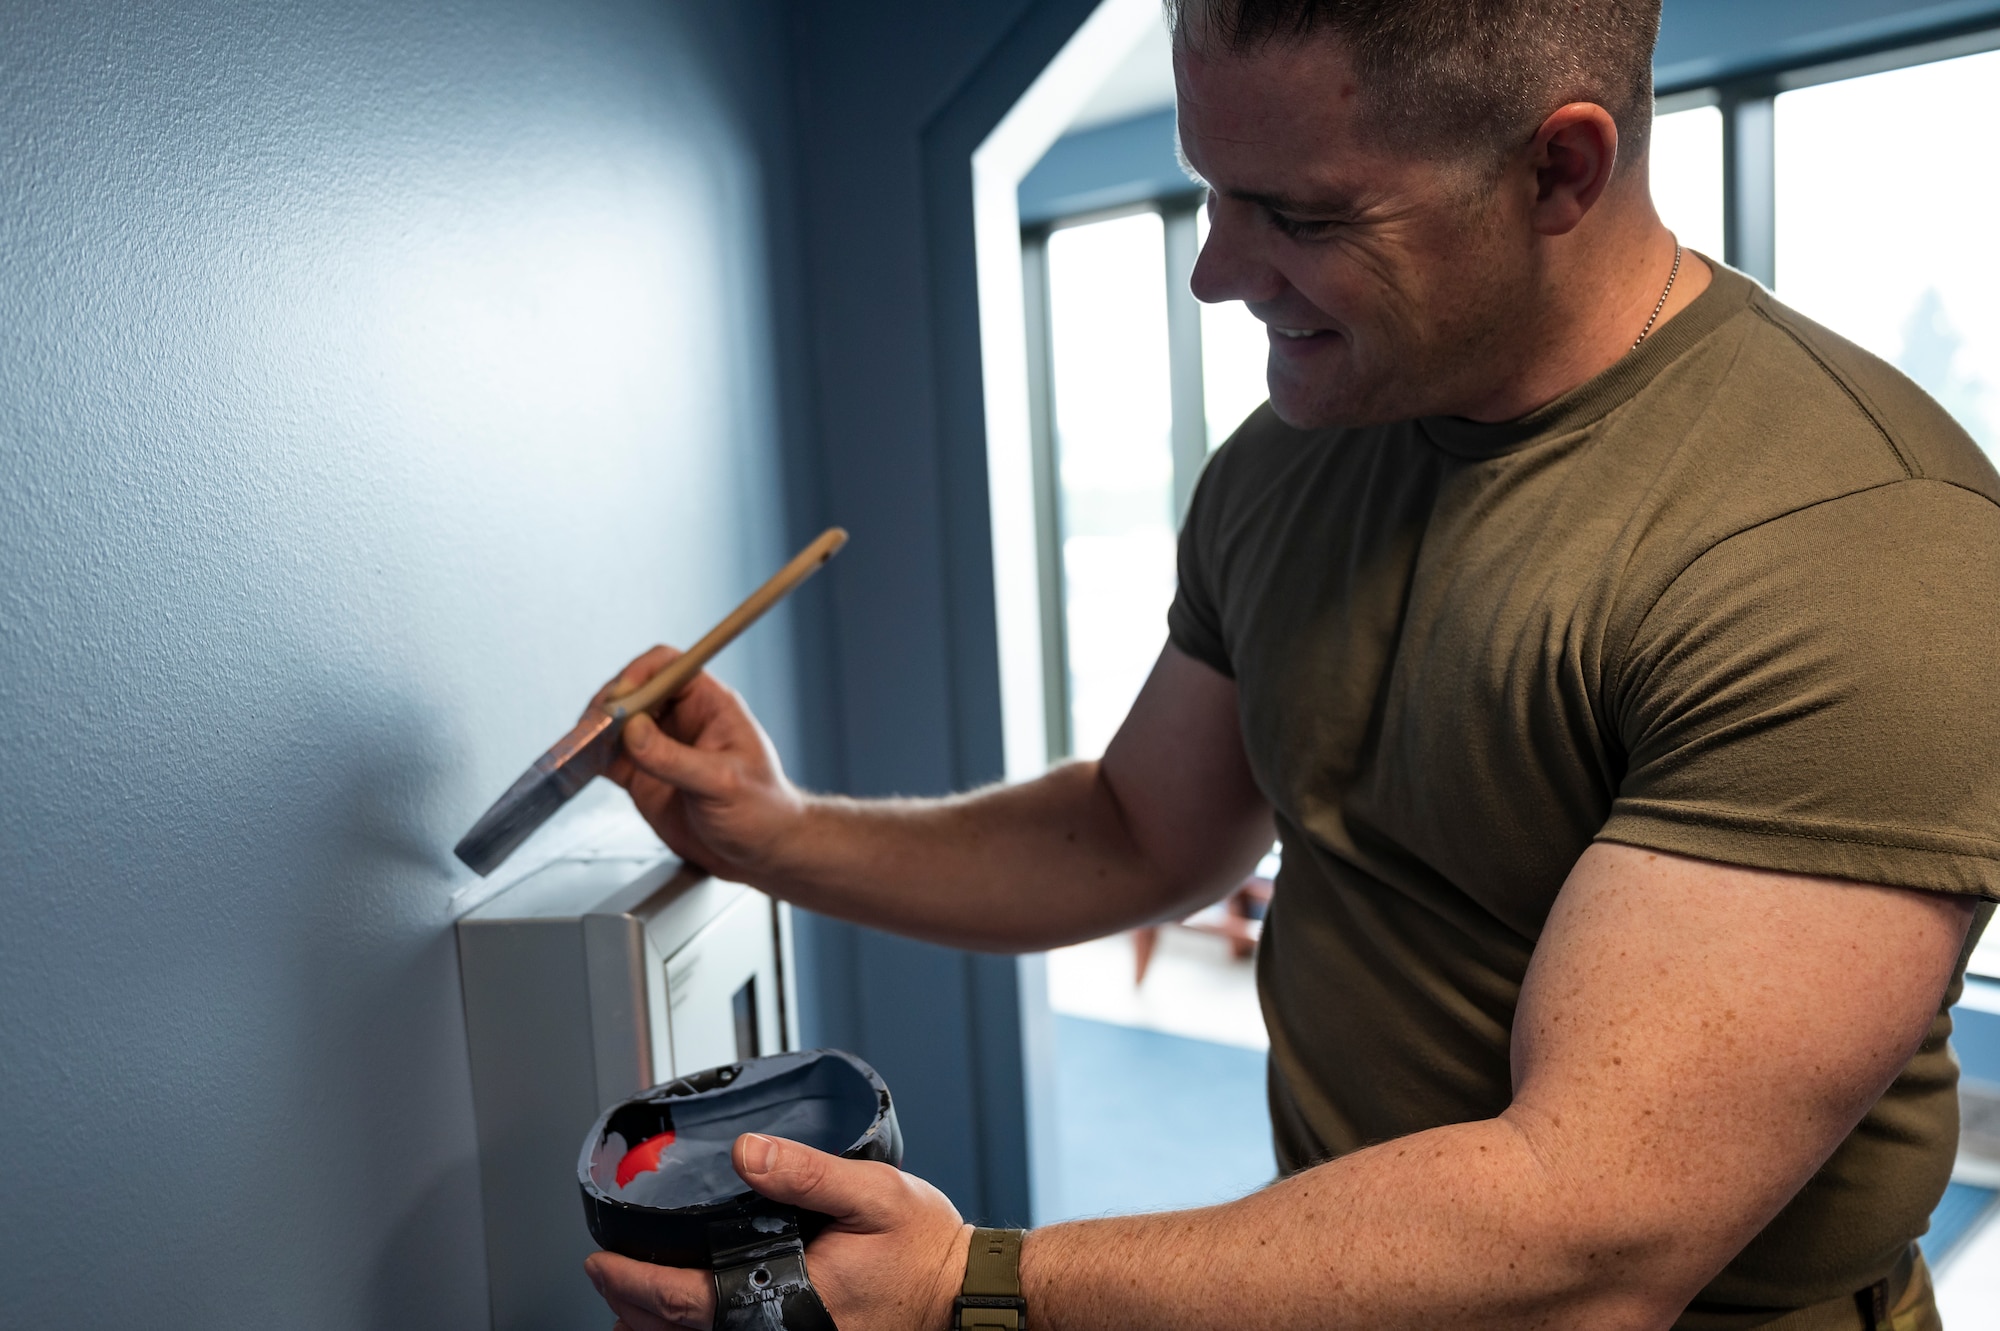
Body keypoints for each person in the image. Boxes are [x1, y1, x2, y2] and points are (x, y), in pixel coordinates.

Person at [585, 2, 2000, 1328]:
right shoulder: (1300, 451)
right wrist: (768, 835)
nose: (1214, 273)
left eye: (1302, 215)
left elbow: (1596, 1245)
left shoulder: (1853, 546)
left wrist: (978, 1286)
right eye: (1214, 192)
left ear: (1559, 170)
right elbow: (1136, 831)